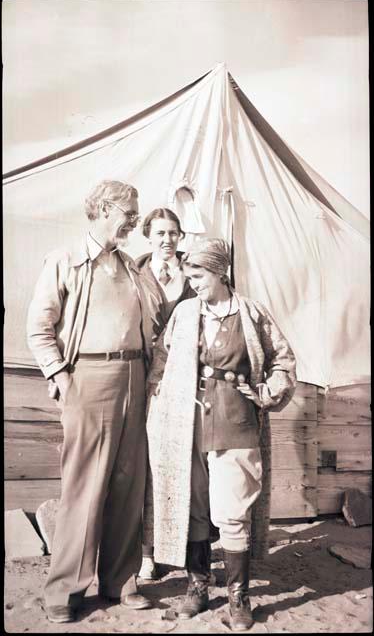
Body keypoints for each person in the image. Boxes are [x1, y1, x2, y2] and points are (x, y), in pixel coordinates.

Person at [143, 238, 296, 631]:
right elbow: (161, 360)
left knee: (232, 512)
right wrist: (158, 397)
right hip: (187, 425)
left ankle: (237, 596)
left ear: (220, 272)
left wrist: (269, 391)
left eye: (199, 276)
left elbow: (282, 359)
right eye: (189, 276)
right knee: (192, 508)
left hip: (236, 422)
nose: (192, 283)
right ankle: (197, 586)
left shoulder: (252, 313)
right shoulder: (185, 313)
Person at [27, 180, 154, 623]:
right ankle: (65, 591)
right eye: (129, 212)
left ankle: (121, 580)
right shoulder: (66, 261)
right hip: (89, 378)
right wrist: (59, 374)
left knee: (127, 483)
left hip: (135, 377)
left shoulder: (132, 266)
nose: (135, 221)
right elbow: (39, 327)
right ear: (103, 208)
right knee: (85, 486)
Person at [135, 207, 196, 580]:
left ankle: (182, 547)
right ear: (148, 235)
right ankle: (146, 552)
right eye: (160, 233)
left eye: (173, 233)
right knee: (148, 464)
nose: (167, 240)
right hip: (144, 376)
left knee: (182, 462)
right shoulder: (134, 273)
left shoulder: (193, 275)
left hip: (183, 376)